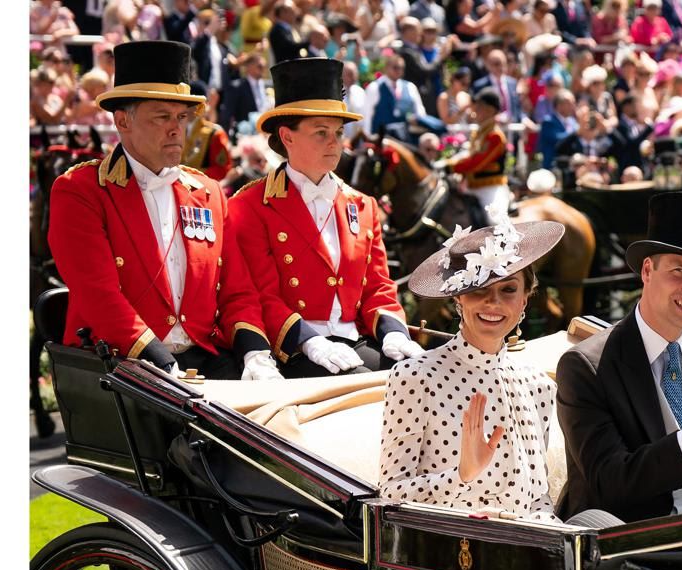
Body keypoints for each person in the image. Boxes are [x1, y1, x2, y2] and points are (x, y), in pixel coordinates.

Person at [47, 40, 282, 381]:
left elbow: (237, 291)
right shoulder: (81, 190)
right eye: (161, 117)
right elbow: (99, 296)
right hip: (120, 363)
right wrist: (162, 363)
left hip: (204, 359)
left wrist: (254, 354)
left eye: (181, 117)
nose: (176, 128)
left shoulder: (208, 192)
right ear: (123, 121)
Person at [557, 192, 682, 523]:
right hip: (619, 540)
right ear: (647, 270)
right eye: (679, 271)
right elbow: (608, 482)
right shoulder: (586, 366)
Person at [229, 58, 421, 377]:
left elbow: (378, 287)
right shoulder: (250, 205)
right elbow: (261, 295)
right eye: (321, 132)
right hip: (293, 349)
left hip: (355, 341)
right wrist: (310, 341)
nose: (335, 142)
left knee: (426, 374)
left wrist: (394, 332)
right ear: (287, 137)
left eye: (338, 131)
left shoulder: (363, 205)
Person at [379, 217, 566, 521]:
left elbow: (538, 500)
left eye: (508, 290)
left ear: (525, 300)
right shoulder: (415, 377)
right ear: (458, 298)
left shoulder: (539, 386)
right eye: (479, 289)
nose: (493, 303)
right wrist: (460, 476)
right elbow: (390, 494)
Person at [437, 88, 512, 216]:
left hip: (489, 188)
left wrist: (450, 167)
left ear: (490, 110)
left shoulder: (495, 136)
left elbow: (477, 163)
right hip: (472, 186)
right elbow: (468, 156)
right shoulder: (479, 133)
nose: (474, 111)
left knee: (495, 221)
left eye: (479, 107)